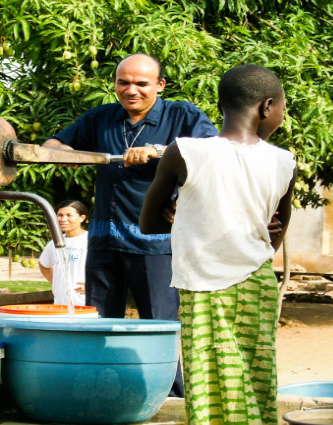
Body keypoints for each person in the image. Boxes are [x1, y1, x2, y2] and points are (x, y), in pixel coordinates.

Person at [43, 53, 218, 397]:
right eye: (123, 82)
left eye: (141, 83)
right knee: (100, 326)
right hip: (105, 241)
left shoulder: (182, 115)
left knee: (159, 327)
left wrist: (159, 150)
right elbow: (52, 144)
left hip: (157, 243)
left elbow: (214, 153)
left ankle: (168, 397)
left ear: (160, 85)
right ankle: (101, 393)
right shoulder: (101, 118)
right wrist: (68, 154)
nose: (131, 90)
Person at [140, 64, 296, 424]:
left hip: (201, 284)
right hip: (257, 281)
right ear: (267, 106)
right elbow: (277, 230)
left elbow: (147, 223)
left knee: (208, 375)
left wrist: (171, 211)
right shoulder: (284, 161)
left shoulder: (184, 151)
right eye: (283, 109)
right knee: (255, 375)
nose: (281, 116)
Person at [39, 200, 89, 306]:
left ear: (82, 218)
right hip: (60, 305)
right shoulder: (55, 242)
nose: (63, 219)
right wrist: (54, 282)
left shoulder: (91, 240)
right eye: (60, 215)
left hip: (87, 305)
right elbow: (44, 264)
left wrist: (93, 286)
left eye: (69, 215)